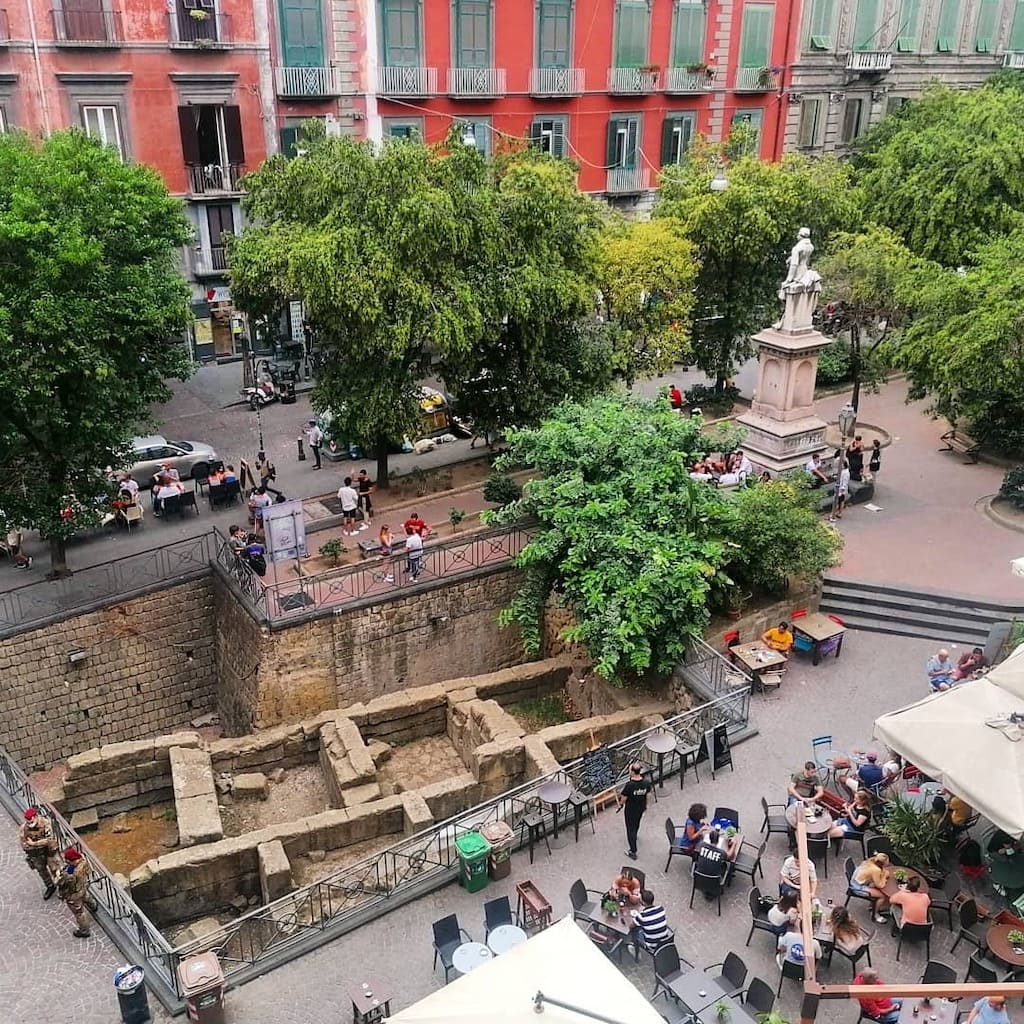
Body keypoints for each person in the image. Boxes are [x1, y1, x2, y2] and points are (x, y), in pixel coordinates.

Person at [19, 807, 58, 898]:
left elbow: (49, 839)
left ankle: (60, 886)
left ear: (36, 817)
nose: (30, 824)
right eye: (28, 822)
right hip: (36, 853)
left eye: (31, 821)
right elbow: (24, 843)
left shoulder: (45, 823)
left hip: (49, 850)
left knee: (55, 869)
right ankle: (50, 886)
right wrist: (31, 846)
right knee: (41, 871)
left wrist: (34, 843)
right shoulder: (23, 829)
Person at [58, 847, 96, 938]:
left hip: (74, 894)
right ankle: (93, 906)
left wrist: (59, 874)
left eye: (68, 860)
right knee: (86, 896)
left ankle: (84, 930)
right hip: (83, 886)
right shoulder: (83, 862)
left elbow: (61, 882)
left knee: (79, 913)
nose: (67, 862)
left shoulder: (72, 874)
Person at [617, 762, 652, 860]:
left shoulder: (630, 785)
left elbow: (623, 797)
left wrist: (620, 805)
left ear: (632, 772)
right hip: (640, 808)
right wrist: (645, 805)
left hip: (631, 810)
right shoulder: (646, 783)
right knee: (636, 823)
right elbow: (648, 794)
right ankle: (635, 835)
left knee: (630, 829)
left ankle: (633, 850)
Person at [852, 853, 892, 923]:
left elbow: (883, 872)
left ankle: (874, 906)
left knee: (874, 885)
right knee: (882, 896)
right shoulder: (876, 870)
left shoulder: (872, 861)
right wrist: (885, 876)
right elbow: (880, 885)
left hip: (856, 880)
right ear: (883, 863)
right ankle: (875, 914)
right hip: (857, 887)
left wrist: (884, 874)